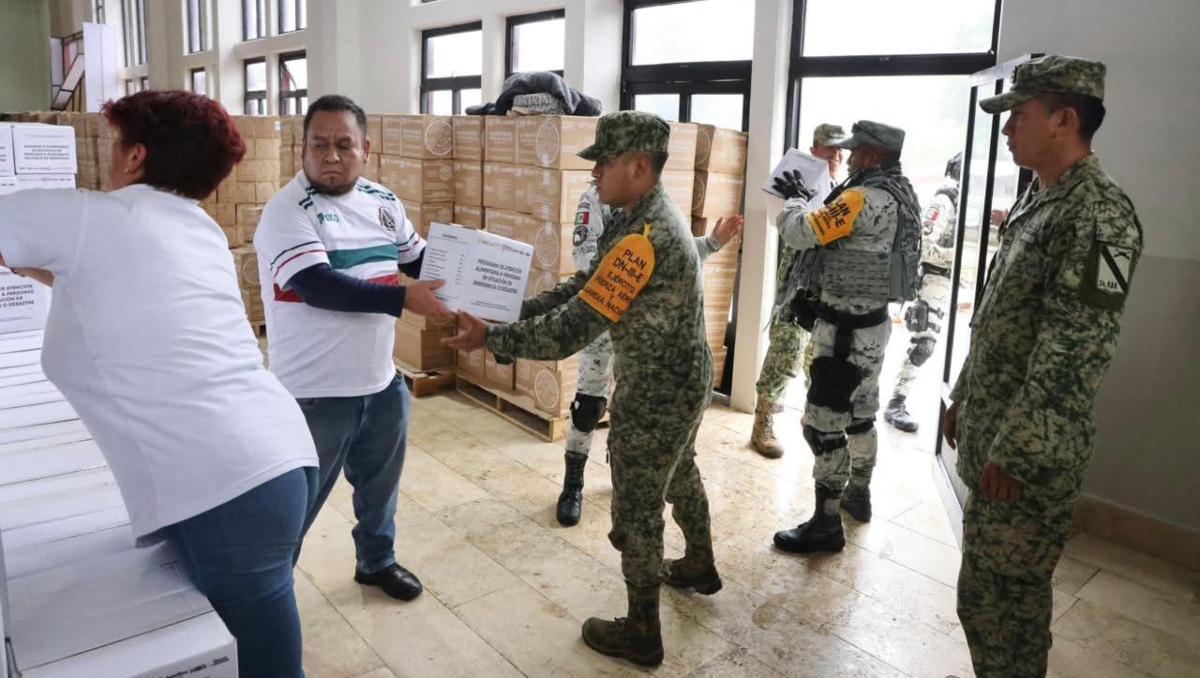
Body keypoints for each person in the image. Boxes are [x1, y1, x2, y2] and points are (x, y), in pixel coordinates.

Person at [0, 90, 319, 678]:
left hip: (230, 488)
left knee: (266, 666)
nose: (107, 159)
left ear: (136, 156)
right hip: (271, 462)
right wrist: (33, 265)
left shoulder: (93, 218)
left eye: (115, 144)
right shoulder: (195, 231)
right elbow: (113, 294)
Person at [446, 111, 720, 667]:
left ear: (638, 166)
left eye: (604, 162)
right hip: (685, 377)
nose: (594, 173)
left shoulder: (646, 236)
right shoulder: (638, 219)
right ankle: (698, 562)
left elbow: (574, 328)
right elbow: (583, 284)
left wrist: (491, 337)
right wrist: (510, 313)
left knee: (638, 507)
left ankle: (642, 631)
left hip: (656, 389)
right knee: (681, 470)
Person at [944, 55, 1142, 678]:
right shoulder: (1043, 200)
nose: (1007, 131)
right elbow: (1002, 317)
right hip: (995, 431)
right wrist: (963, 395)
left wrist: (1022, 450)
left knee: (1005, 605)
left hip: (1023, 459)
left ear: (1063, 119)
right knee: (990, 599)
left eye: (1018, 117)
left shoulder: (1099, 215)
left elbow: (1078, 345)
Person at [255, 94, 453, 603]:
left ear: (366, 148)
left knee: (380, 491)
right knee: (292, 507)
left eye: (344, 145)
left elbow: (420, 260)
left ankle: (376, 561)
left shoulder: (384, 202)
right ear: (302, 149)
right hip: (314, 395)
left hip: (381, 382)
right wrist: (404, 299)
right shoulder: (286, 211)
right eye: (319, 145)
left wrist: (475, 280)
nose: (331, 156)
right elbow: (320, 286)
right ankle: (267, 593)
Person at [770, 120, 922, 550]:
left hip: (841, 337)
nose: (851, 157)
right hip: (874, 327)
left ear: (873, 156)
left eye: (857, 151)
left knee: (822, 426)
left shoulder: (859, 197)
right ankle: (860, 494)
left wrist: (796, 199)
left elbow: (801, 232)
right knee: (861, 417)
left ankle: (826, 523)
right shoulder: (901, 194)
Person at [556, 183, 742, 526]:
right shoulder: (596, 197)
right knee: (589, 407)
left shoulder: (660, 203)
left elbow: (679, 254)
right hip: (603, 321)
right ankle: (572, 485)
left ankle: (622, 472)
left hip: (644, 331)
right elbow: (588, 263)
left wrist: (713, 242)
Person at [751, 123, 847, 458]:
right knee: (786, 349)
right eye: (830, 148)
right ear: (814, 150)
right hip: (796, 280)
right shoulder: (800, 182)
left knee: (817, 356)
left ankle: (813, 419)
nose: (837, 155)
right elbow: (789, 228)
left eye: (840, 149)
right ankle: (762, 420)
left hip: (827, 284)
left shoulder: (843, 188)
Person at [884, 151, 962, 432]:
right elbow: (924, 245)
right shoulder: (945, 200)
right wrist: (960, 255)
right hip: (931, 279)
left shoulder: (960, 201)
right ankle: (896, 402)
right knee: (923, 345)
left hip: (945, 282)